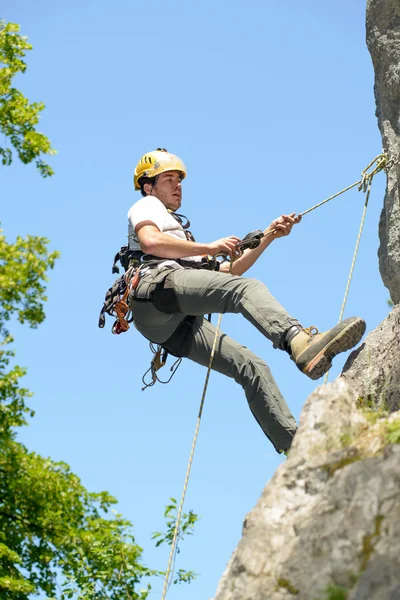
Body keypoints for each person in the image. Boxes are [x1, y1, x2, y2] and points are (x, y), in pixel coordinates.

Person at [127, 148, 366, 453]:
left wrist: (268, 237)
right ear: (148, 186)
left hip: (171, 321)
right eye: (169, 179)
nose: (178, 185)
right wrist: (211, 247)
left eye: (180, 180)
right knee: (245, 289)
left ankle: (297, 449)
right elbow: (149, 241)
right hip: (154, 288)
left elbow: (228, 271)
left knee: (251, 366)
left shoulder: (181, 237)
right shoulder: (146, 205)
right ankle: (299, 342)